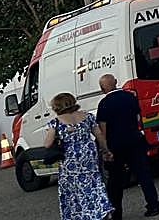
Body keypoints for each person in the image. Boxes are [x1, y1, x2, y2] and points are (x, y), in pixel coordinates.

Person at [96, 75, 159, 219]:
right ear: (116, 83)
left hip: (116, 145)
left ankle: (117, 213)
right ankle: (153, 205)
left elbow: (103, 129)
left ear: (102, 88)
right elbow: (138, 118)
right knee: (144, 175)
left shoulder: (104, 104)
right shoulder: (130, 97)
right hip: (135, 140)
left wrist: (105, 149)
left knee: (115, 181)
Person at [44, 92, 114, 220]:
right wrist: (106, 151)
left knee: (73, 189)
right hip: (88, 155)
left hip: (69, 159)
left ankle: (78, 215)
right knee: (94, 182)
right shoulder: (87, 117)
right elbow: (99, 136)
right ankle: (102, 210)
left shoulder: (55, 123)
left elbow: (47, 144)